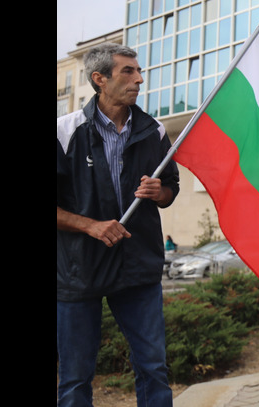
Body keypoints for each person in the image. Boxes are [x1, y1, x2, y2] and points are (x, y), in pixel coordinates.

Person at [57, 43, 179, 407]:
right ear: (99, 79)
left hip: (138, 270)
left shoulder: (154, 131)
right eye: (128, 71)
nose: (139, 79)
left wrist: (161, 192)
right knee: (76, 379)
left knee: (154, 368)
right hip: (79, 273)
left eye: (138, 71)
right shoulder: (64, 133)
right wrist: (90, 225)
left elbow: (171, 187)